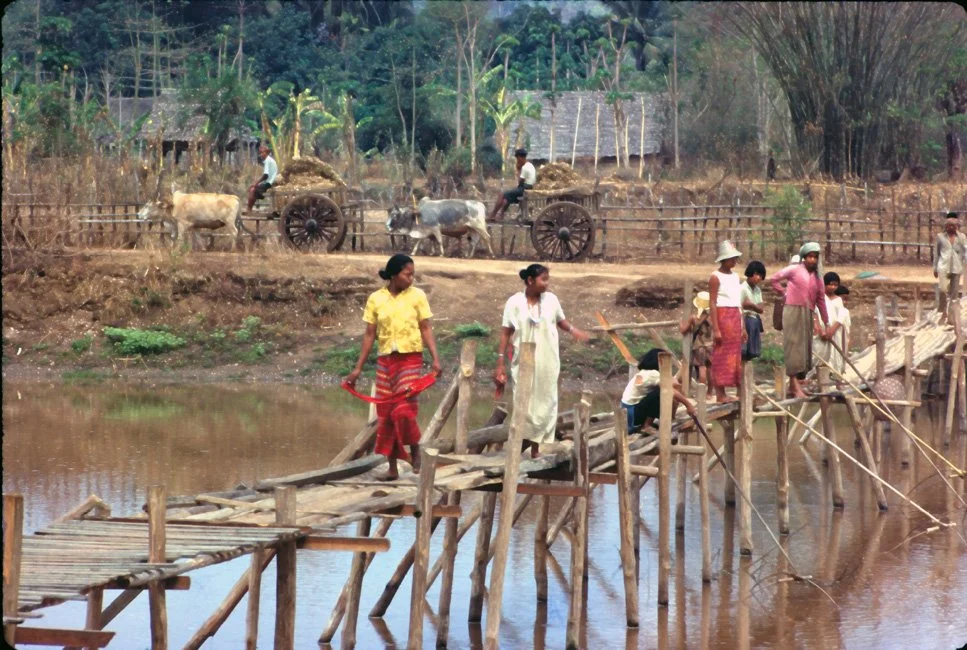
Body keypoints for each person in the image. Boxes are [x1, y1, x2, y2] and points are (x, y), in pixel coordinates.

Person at [344, 254, 441, 479]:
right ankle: (393, 469)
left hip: (410, 358)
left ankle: (415, 450)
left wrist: (436, 359)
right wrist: (358, 369)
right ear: (394, 274)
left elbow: (426, 327)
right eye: (408, 274)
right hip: (386, 360)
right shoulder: (376, 299)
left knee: (403, 411)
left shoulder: (417, 296)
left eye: (412, 274)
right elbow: (370, 334)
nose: (411, 279)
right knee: (387, 415)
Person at [494, 264, 589, 458]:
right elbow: (506, 332)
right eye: (543, 279)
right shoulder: (514, 302)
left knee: (546, 401)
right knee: (523, 401)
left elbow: (561, 321)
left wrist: (573, 330)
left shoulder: (551, 300)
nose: (547, 283)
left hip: (547, 360)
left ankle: (536, 449)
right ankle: (517, 447)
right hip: (523, 361)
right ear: (530, 281)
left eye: (548, 279)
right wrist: (500, 362)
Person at [770, 242, 830, 398]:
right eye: (809, 257)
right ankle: (794, 384)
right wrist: (783, 292)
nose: (812, 260)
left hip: (808, 313)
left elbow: (821, 300)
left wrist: (826, 321)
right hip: (792, 310)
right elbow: (774, 279)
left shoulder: (818, 278)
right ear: (804, 257)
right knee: (793, 345)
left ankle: (797, 383)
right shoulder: (795, 270)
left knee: (804, 347)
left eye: (815, 257)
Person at [621, 348, 696, 433]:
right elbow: (670, 389)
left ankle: (658, 421)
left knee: (666, 389)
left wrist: (681, 370)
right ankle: (646, 426)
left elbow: (673, 382)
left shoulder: (645, 372)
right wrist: (688, 405)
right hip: (632, 415)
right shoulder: (653, 374)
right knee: (661, 392)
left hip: (630, 414)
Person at [708, 240, 746, 403]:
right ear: (723, 260)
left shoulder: (736, 277)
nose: (734, 261)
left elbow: (738, 302)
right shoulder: (715, 277)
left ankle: (735, 390)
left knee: (734, 355)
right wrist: (716, 328)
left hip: (735, 316)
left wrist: (742, 325)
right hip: (722, 316)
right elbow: (712, 302)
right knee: (721, 354)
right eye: (731, 258)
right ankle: (720, 393)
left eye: (735, 258)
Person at [812, 272, 850, 374]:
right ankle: (812, 377)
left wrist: (831, 331)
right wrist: (820, 329)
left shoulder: (838, 300)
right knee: (817, 355)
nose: (833, 287)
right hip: (820, 332)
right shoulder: (819, 297)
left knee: (834, 356)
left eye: (835, 285)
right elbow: (814, 313)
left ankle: (834, 376)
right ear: (825, 284)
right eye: (830, 284)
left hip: (834, 333)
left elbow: (840, 318)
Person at [933, 212, 967, 323]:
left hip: (956, 268)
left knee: (954, 294)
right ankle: (943, 312)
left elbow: (965, 251)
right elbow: (936, 253)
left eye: (953, 225)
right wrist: (935, 268)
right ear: (946, 226)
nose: (951, 227)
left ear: (956, 226)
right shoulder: (940, 237)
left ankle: (950, 316)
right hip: (943, 267)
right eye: (949, 225)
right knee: (943, 290)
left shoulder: (962, 237)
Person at [489, 148, 537, 222]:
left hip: (524, 189)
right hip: (528, 188)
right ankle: (501, 214)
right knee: (507, 197)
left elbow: (520, 182)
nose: (517, 161)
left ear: (521, 158)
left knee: (502, 194)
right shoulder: (530, 165)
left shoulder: (524, 168)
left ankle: (493, 215)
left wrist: (518, 170)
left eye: (517, 159)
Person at [680, 291, 713, 387]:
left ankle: (701, 391)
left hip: (699, 346)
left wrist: (680, 324)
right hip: (710, 345)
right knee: (710, 368)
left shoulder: (694, 318)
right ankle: (709, 393)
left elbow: (683, 330)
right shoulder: (712, 317)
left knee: (702, 367)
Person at [741, 260, 766, 361]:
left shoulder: (757, 290)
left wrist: (751, 305)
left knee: (752, 353)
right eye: (756, 274)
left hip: (754, 320)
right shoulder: (742, 289)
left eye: (760, 275)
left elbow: (760, 309)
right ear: (750, 273)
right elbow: (740, 306)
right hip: (745, 320)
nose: (758, 278)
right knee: (743, 351)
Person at [247, 145, 278, 211]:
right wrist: (257, 183)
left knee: (252, 190)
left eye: (262, 152)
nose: (261, 154)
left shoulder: (267, 161)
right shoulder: (270, 160)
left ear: (266, 153)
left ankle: (249, 209)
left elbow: (265, 175)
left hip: (269, 183)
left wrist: (256, 183)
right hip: (270, 181)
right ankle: (250, 208)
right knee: (253, 188)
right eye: (260, 153)